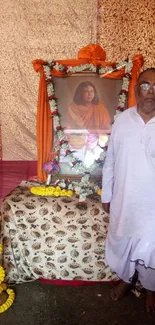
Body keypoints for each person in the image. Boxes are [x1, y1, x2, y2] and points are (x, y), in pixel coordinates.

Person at [101, 68, 155, 313]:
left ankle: (150, 288)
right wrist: (107, 193)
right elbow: (110, 159)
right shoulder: (122, 120)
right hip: (125, 198)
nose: (150, 92)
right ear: (136, 90)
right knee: (123, 240)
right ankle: (126, 278)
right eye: (145, 86)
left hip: (152, 203)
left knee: (151, 246)